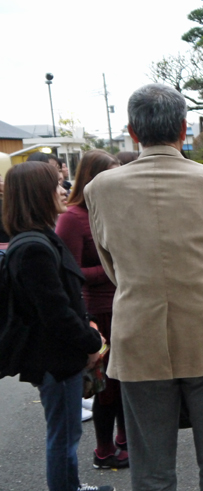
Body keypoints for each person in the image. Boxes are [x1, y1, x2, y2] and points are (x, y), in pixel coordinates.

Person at [84, 84, 203, 491]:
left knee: (152, 465)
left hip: (139, 335)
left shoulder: (100, 188)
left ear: (133, 131)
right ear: (182, 128)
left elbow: (111, 266)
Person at [2, 161, 118, 491]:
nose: (63, 190)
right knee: (64, 432)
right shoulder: (33, 247)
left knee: (67, 428)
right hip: (53, 356)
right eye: (56, 185)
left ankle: (70, 487)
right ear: (38, 194)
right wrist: (90, 340)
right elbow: (55, 312)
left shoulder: (36, 237)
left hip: (57, 353)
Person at [55, 150, 131, 471]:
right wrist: (114, 270)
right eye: (109, 175)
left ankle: (126, 441)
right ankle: (103, 450)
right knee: (107, 388)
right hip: (100, 312)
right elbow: (69, 272)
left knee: (128, 381)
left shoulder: (115, 209)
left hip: (127, 304)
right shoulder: (72, 217)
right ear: (91, 178)